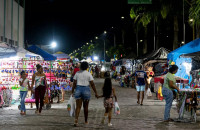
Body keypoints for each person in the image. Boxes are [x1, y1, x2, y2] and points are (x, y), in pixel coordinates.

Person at [72, 62, 98, 126]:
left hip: (78, 89)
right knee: (86, 107)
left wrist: (72, 91)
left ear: (80, 66)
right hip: (86, 90)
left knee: (78, 106)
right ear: (87, 67)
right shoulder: (89, 74)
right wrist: (95, 92)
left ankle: (76, 121)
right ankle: (86, 121)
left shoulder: (77, 73)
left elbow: (74, 83)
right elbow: (92, 84)